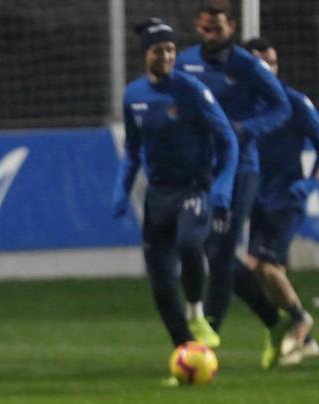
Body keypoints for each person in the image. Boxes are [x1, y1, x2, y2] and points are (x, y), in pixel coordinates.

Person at [112, 19, 238, 384]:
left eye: (171, 49)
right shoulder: (133, 95)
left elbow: (227, 140)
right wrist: (122, 190)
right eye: (159, 50)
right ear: (145, 55)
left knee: (189, 244)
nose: (167, 55)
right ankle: (185, 351)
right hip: (158, 195)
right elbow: (133, 151)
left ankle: (197, 311)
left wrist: (222, 189)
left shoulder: (192, 91)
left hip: (193, 188)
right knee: (161, 283)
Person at [175, 0, 293, 358]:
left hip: (241, 169)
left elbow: (281, 107)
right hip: (201, 170)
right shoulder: (185, 63)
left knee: (221, 249)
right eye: (207, 28)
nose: (212, 34)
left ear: (232, 29)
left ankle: (208, 331)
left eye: (220, 28)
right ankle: (274, 321)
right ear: (199, 26)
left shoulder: (248, 66)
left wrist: (246, 129)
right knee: (210, 250)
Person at [244, 37, 318, 366]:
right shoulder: (242, 107)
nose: (269, 70)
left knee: (261, 266)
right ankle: (309, 342)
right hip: (256, 199)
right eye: (262, 64)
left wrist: (309, 183)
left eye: (273, 63)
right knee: (263, 271)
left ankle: (301, 320)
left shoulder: (295, 103)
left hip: (287, 198)